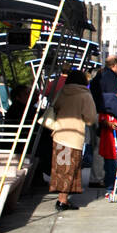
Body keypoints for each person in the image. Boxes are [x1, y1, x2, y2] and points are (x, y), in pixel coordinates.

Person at [43, 70, 98, 211]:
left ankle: (63, 199)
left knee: (62, 168)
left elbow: (54, 107)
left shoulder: (62, 92)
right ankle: (62, 200)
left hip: (59, 134)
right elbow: (91, 118)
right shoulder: (85, 95)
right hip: (74, 136)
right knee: (70, 169)